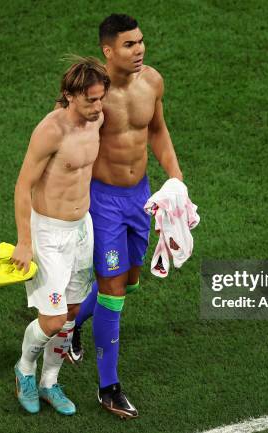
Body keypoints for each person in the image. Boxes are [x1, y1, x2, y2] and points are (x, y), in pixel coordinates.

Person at [68, 14, 183, 419]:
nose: (139, 50)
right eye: (129, 45)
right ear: (108, 50)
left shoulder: (152, 81)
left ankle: (72, 324)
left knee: (130, 283)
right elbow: (65, 140)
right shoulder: (92, 95)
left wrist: (176, 180)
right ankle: (108, 387)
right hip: (104, 203)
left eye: (141, 42)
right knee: (113, 293)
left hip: (141, 197)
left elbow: (157, 131)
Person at [10, 57, 110, 416]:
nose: (98, 107)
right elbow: (23, 186)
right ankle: (24, 370)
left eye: (101, 98)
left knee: (71, 313)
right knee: (51, 320)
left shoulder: (97, 117)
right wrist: (25, 241)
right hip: (49, 234)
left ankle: (49, 382)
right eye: (91, 100)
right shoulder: (51, 131)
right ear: (69, 95)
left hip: (82, 228)